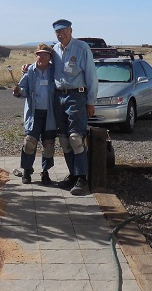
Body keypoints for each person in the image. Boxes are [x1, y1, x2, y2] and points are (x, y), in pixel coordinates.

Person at [50, 19, 98, 195]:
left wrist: (90, 101)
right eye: (57, 32)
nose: (61, 34)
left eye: (64, 30)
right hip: (59, 96)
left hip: (77, 96)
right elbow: (43, 64)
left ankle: (82, 179)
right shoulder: (54, 50)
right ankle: (72, 175)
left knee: (76, 138)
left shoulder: (81, 48)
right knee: (64, 139)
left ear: (71, 30)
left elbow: (92, 75)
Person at [13, 43, 57, 185]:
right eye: (39, 54)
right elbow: (22, 89)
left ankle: (45, 172)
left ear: (50, 57)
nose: (42, 57)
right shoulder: (30, 71)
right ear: (36, 55)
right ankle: (27, 171)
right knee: (29, 143)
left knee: (48, 145)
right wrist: (18, 92)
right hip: (34, 113)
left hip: (50, 113)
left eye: (45, 54)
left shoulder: (55, 71)